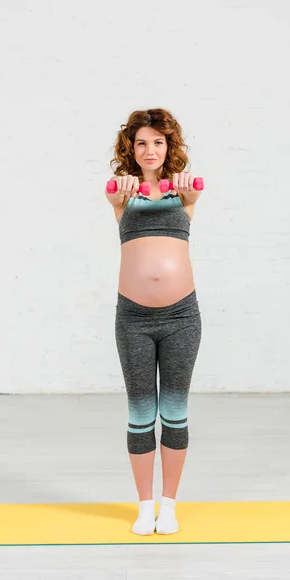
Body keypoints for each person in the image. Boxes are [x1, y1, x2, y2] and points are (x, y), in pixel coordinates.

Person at [105, 108, 202, 536]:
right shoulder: (121, 194)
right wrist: (118, 193)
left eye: (158, 142)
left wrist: (189, 192)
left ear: (169, 147)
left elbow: (193, 195)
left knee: (175, 412)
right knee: (141, 412)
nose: (150, 150)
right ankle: (144, 505)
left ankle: (169, 505)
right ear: (132, 148)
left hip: (182, 316)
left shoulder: (184, 193)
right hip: (134, 318)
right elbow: (114, 197)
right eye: (142, 142)